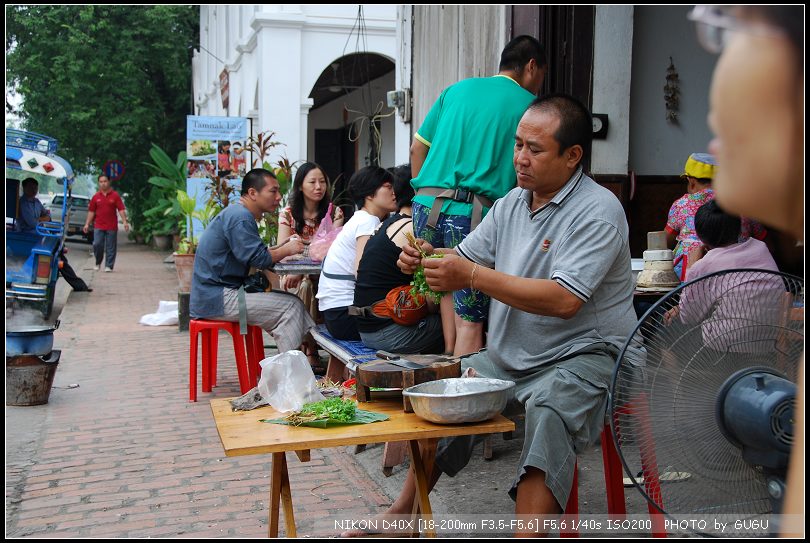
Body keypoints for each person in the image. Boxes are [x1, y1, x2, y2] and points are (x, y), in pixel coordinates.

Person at [345, 94, 637, 537]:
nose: (520, 158)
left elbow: (563, 300)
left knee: (550, 409)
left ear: (573, 155)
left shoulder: (598, 211)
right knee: (446, 394)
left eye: (534, 149)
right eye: (518, 145)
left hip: (588, 355)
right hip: (512, 353)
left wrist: (472, 274)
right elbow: (462, 259)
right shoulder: (512, 204)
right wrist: (425, 259)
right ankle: (404, 514)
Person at [687, 6, 803, 534]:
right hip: (765, 349)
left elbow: (687, 312)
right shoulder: (764, 251)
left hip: (724, 352)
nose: (715, 125)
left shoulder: (705, 262)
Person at [410, 35, 547, 357]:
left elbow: (418, 148)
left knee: (445, 290)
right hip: (473, 214)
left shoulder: (455, 90)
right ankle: (461, 397)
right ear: (531, 66)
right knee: (470, 320)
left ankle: (446, 366)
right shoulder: (529, 106)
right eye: (541, 75)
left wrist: (420, 195)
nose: (540, 84)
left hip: (425, 205)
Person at [190, 168, 317, 356]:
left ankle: (301, 360)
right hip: (217, 298)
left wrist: (279, 249)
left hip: (216, 294)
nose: (278, 196)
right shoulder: (240, 217)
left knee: (293, 304)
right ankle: (289, 375)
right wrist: (288, 249)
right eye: (273, 191)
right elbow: (259, 259)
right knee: (291, 307)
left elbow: (253, 253)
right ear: (252, 193)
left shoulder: (238, 213)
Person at [351, 165, 446, 354]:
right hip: (389, 333)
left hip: (367, 329)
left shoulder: (387, 224)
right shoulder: (412, 229)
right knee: (458, 324)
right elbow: (433, 296)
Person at [316, 166, 398, 341]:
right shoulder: (367, 221)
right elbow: (362, 272)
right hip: (345, 316)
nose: (394, 192)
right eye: (388, 187)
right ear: (369, 195)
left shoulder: (360, 218)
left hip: (335, 314)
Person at [664, 152, 766, 279]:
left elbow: (665, 242)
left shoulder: (682, 205)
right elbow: (762, 237)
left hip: (691, 275)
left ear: (692, 182)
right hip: (737, 274)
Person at [277, 161, 345, 304]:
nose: (319, 187)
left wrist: (302, 270)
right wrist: (298, 271)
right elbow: (283, 251)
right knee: (303, 285)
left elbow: (331, 251)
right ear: (300, 186)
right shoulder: (287, 214)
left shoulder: (334, 213)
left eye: (322, 182)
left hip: (325, 272)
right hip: (293, 272)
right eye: (312, 182)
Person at [16, 178, 91, 292]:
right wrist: (42, 220)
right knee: (57, 256)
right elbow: (32, 223)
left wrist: (40, 219)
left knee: (59, 252)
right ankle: (79, 285)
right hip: (28, 236)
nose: (34, 190)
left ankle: (79, 285)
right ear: (24, 188)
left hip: (40, 235)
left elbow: (48, 217)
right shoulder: (23, 203)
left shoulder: (36, 202)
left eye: (35, 187)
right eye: (31, 187)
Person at [83, 174, 129, 272]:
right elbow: (91, 211)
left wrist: (124, 222)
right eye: (101, 182)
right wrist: (87, 223)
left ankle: (109, 265)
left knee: (111, 246)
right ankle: (98, 262)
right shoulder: (96, 197)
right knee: (97, 244)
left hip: (111, 226)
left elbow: (121, 209)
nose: (103, 184)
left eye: (105, 181)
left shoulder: (115, 195)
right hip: (99, 225)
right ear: (99, 183)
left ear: (109, 182)